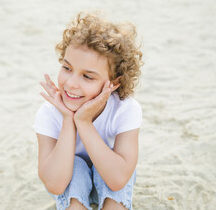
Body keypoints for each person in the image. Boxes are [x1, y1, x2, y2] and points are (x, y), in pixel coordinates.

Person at [34, 11, 143, 210]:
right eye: (67, 68)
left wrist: (83, 122)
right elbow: (55, 184)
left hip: (111, 173)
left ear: (114, 82)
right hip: (67, 177)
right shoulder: (48, 113)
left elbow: (118, 179)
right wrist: (69, 119)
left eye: (88, 77)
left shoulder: (126, 109)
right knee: (75, 165)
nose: (72, 84)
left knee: (113, 166)